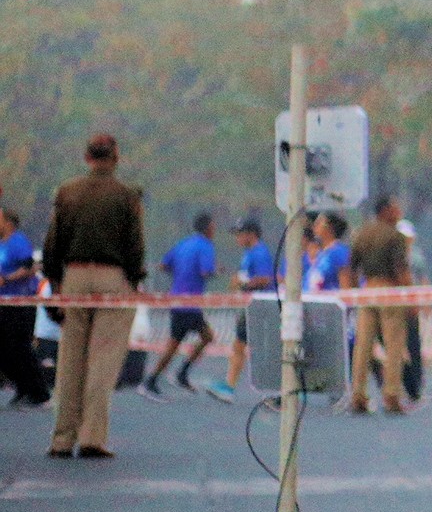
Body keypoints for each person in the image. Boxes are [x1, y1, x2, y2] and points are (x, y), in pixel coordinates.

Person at [43, 135, 145, 459]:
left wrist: (55, 283)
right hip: (113, 278)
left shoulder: (67, 192)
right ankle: (91, 437)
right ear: (116, 158)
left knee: (70, 360)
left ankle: (62, 438)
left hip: (74, 277)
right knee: (102, 362)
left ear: (87, 158)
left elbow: (53, 242)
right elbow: (135, 245)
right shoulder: (127, 196)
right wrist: (134, 280)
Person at [345, 195, 415, 416]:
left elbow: (351, 269)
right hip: (389, 290)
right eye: (395, 209)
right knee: (394, 345)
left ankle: (358, 394)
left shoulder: (361, 233)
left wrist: (355, 292)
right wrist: (410, 297)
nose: (398, 212)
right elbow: (401, 269)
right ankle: (391, 394)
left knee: (363, 346)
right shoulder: (395, 236)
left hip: (367, 290)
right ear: (385, 211)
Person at [141, 213, 221, 399]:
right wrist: (216, 271)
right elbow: (206, 271)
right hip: (189, 304)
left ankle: (181, 373)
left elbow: (163, 265)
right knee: (174, 345)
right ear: (208, 228)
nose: (215, 230)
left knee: (207, 336)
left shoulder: (183, 243)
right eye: (213, 226)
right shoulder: (206, 246)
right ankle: (151, 380)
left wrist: (182, 274)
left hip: (179, 300)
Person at [212, 216, 277, 405]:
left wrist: (243, 283)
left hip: (261, 307)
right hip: (251, 307)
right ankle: (229, 386)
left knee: (260, 349)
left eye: (240, 233)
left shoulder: (260, 252)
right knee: (240, 346)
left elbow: (265, 279)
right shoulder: (248, 254)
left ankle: (233, 387)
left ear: (251, 234)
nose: (237, 238)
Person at [0, 209, 47, 407]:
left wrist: (7, 278)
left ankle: (39, 393)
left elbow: (30, 267)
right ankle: (22, 387)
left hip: (20, 302)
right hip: (4, 303)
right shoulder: (2, 244)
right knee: (4, 349)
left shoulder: (18, 242)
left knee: (20, 347)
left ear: (8, 223)